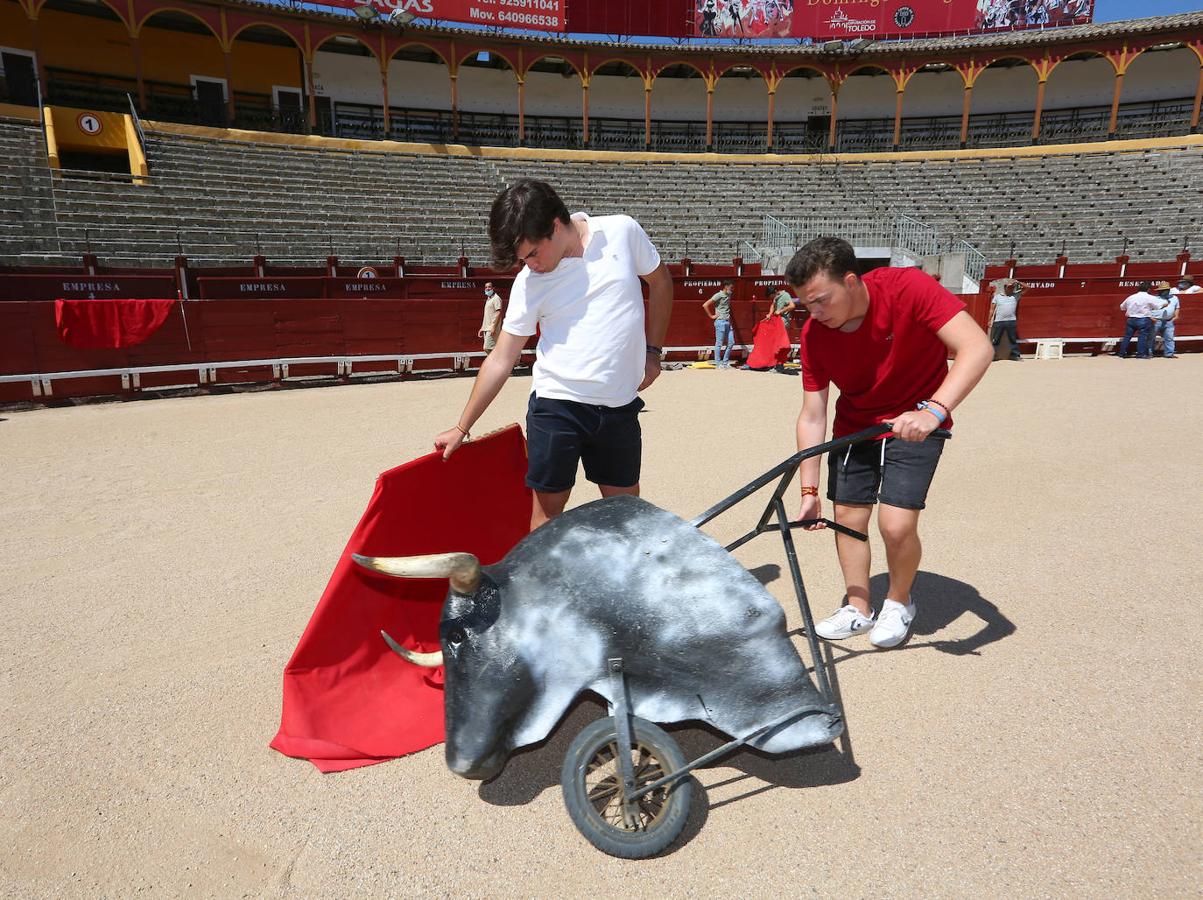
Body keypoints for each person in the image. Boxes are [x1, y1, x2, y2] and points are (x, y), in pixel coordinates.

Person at [434, 178, 674, 531]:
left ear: (556, 225)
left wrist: (653, 352)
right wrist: (461, 426)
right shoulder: (529, 283)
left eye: (532, 253)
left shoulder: (622, 231)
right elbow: (501, 358)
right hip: (557, 406)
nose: (529, 264)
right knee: (546, 518)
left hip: (619, 406)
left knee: (626, 515)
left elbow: (662, 281)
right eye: (522, 258)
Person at [789, 237, 993, 649]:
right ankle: (858, 608)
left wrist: (933, 411)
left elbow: (976, 347)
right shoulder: (814, 334)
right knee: (846, 518)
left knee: (896, 524)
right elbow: (813, 415)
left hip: (917, 417)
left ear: (851, 281)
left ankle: (899, 602)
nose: (814, 313)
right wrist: (808, 490)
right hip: (856, 426)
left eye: (822, 300)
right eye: (806, 305)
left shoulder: (908, 288)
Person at [1117, 281, 1164, 359]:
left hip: (1131, 319)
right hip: (1143, 319)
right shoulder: (1149, 297)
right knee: (1142, 337)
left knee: (1127, 336)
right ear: (1148, 289)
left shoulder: (1131, 297)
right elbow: (1158, 306)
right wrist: (1165, 303)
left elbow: (1122, 307)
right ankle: (1141, 354)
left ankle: (1122, 353)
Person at [989, 278, 1028, 361]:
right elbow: (992, 309)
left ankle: (1015, 355)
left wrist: (1018, 282)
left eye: (1012, 287)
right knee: (995, 340)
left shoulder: (1015, 296)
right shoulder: (997, 297)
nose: (1011, 289)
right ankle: (992, 355)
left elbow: (1027, 287)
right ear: (1005, 287)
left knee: (1012, 339)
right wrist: (989, 320)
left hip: (1011, 320)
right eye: (1009, 287)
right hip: (999, 321)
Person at [703, 280, 737, 369]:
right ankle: (718, 363)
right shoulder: (718, 295)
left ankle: (725, 363)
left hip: (727, 321)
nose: (732, 289)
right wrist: (711, 316)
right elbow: (705, 305)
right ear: (726, 286)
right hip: (720, 322)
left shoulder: (728, 294)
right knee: (719, 343)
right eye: (731, 287)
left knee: (731, 342)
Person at [1150, 281, 1179, 359]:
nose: (1165, 291)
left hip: (1169, 320)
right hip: (1156, 320)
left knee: (1169, 337)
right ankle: (1149, 352)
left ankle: (1169, 353)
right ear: (1159, 291)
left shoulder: (1175, 298)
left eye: (1166, 290)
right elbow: (1147, 309)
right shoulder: (1154, 298)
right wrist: (1151, 318)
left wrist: (1176, 316)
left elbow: (1177, 307)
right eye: (1163, 290)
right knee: (1151, 337)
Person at [479, 281, 502, 353]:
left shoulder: (496, 299)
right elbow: (487, 315)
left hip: (491, 328)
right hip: (486, 328)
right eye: (486, 287)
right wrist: (482, 328)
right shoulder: (488, 299)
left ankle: (496, 362)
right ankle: (496, 362)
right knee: (491, 348)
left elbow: (498, 312)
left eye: (489, 287)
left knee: (487, 347)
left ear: (493, 288)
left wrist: (493, 327)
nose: (487, 288)